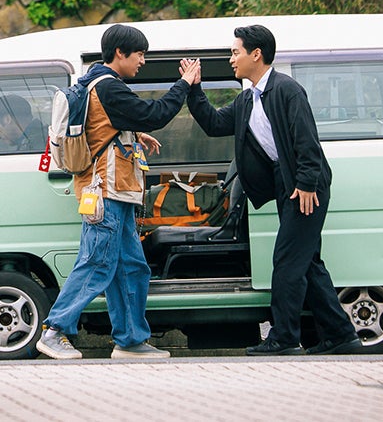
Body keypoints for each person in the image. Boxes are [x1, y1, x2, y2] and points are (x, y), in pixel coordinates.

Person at [178, 23, 365, 356]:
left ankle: (284, 338)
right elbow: (214, 123)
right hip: (285, 183)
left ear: (256, 54)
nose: (231, 58)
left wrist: (307, 184)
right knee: (307, 262)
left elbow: (306, 140)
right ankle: (341, 335)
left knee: (287, 259)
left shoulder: (286, 90)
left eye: (235, 52)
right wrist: (194, 88)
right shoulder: (248, 99)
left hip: (305, 185)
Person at [37, 23, 190, 362]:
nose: (143, 61)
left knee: (131, 267)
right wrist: (184, 84)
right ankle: (55, 330)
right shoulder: (109, 88)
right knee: (97, 263)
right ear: (120, 53)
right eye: (139, 54)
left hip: (116, 194)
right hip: (105, 194)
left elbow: (105, 127)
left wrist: (134, 135)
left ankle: (130, 340)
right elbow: (156, 113)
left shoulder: (97, 85)